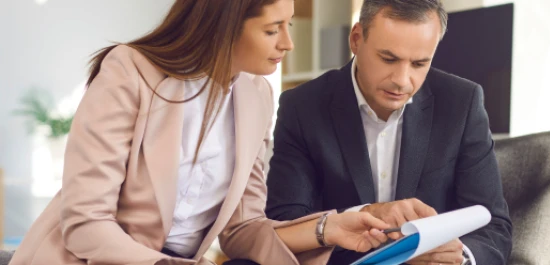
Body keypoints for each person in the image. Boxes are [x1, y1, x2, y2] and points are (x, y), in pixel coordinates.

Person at [9, 1, 391, 265]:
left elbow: (243, 228)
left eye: (288, 25)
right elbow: (85, 222)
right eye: (272, 29)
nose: (287, 43)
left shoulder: (256, 95)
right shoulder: (129, 71)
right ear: (223, 25)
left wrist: (329, 228)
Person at [263, 0, 513, 264]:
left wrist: (459, 257)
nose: (402, 80)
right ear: (357, 39)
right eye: (388, 59)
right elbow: (284, 222)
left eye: (419, 64)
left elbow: (494, 226)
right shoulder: (302, 107)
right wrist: (369, 213)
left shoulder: (462, 103)